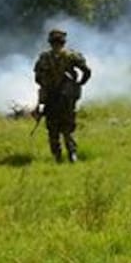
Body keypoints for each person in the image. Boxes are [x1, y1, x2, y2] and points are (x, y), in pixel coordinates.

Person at [33, 28, 91, 163]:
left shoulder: (44, 57)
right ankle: (71, 154)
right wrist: (79, 83)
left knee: (53, 129)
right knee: (67, 128)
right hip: (66, 98)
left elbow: (37, 78)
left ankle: (58, 156)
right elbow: (87, 71)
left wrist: (47, 85)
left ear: (50, 42)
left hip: (53, 97)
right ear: (64, 42)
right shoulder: (72, 55)